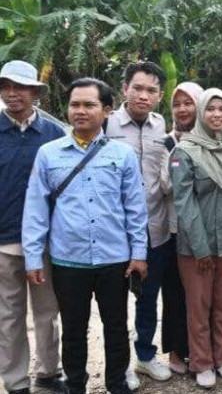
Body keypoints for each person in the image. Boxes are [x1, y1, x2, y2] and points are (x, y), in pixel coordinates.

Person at [22, 78, 148, 394]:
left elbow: (135, 207)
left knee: (117, 328)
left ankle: (117, 383)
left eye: (89, 105)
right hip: (68, 259)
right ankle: (75, 385)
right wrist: (33, 257)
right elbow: (36, 209)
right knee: (74, 330)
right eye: (75, 104)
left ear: (106, 110)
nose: (80, 111)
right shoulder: (49, 154)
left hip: (114, 259)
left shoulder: (122, 155)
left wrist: (139, 253)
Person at [104, 62, 174, 388]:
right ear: (125, 89)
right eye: (138, 88)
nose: (144, 95)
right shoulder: (107, 126)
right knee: (115, 304)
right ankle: (119, 367)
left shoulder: (162, 127)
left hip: (155, 229)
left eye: (151, 90)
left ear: (160, 96)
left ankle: (145, 356)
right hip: (116, 233)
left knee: (149, 298)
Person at [170, 88, 222, 389]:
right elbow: (184, 204)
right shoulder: (185, 151)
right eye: (210, 109)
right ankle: (201, 362)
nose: (216, 114)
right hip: (195, 248)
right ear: (201, 113)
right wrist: (201, 248)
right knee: (198, 307)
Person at [0, 61, 65, 394]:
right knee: (9, 316)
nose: (13, 93)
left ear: (36, 93)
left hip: (45, 243)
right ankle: (15, 382)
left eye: (21, 86)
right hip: (4, 243)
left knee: (46, 312)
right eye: (7, 86)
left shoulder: (55, 135)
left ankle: (49, 373)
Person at [159, 82, 205, 375]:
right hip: (175, 230)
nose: (183, 109)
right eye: (177, 104)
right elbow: (166, 186)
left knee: (203, 295)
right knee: (175, 294)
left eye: (189, 103)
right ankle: (177, 351)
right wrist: (180, 149)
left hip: (206, 229)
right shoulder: (166, 143)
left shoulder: (211, 138)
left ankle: (203, 351)